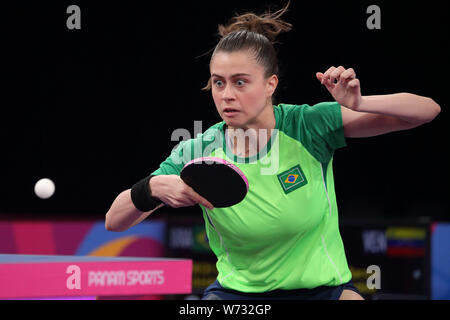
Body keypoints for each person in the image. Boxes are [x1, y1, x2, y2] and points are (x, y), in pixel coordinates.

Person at [105, 3, 440, 300]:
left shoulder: (307, 126)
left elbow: (426, 111)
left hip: (323, 291)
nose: (226, 95)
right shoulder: (198, 150)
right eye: (218, 82)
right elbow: (114, 222)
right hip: (238, 296)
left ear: (270, 84)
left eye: (240, 82)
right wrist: (149, 189)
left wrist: (360, 103)